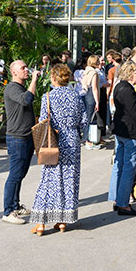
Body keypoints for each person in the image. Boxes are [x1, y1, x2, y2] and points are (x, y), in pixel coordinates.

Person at [30, 63, 85, 235]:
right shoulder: (76, 96)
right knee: (69, 180)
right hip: (72, 141)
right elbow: (83, 121)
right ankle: (62, 221)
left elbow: (44, 120)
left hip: (53, 141)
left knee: (49, 179)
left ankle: (41, 223)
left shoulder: (48, 97)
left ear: (53, 78)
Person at [2, 60, 39, 225]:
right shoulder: (12, 88)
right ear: (14, 73)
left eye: (26, 67)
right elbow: (26, 100)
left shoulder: (21, 87)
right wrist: (34, 81)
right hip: (17, 138)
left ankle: (16, 205)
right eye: (22, 68)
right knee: (15, 175)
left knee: (21, 174)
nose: (26, 70)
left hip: (26, 136)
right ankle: (8, 211)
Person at [108, 61, 136, 216]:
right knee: (128, 169)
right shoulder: (128, 90)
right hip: (130, 133)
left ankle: (117, 198)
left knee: (119, 165)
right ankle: (123, 203)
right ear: (131, 73)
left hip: (121, 131)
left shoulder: (119, 86)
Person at [79, 55, 102, 145]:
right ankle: (87, 138)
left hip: (85, 93)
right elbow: (95, 88)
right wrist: (97, 101)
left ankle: (85, 137)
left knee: (86, 116)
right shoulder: (94, 73)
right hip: (91, 95)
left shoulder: (86, 71)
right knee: (90, 117)